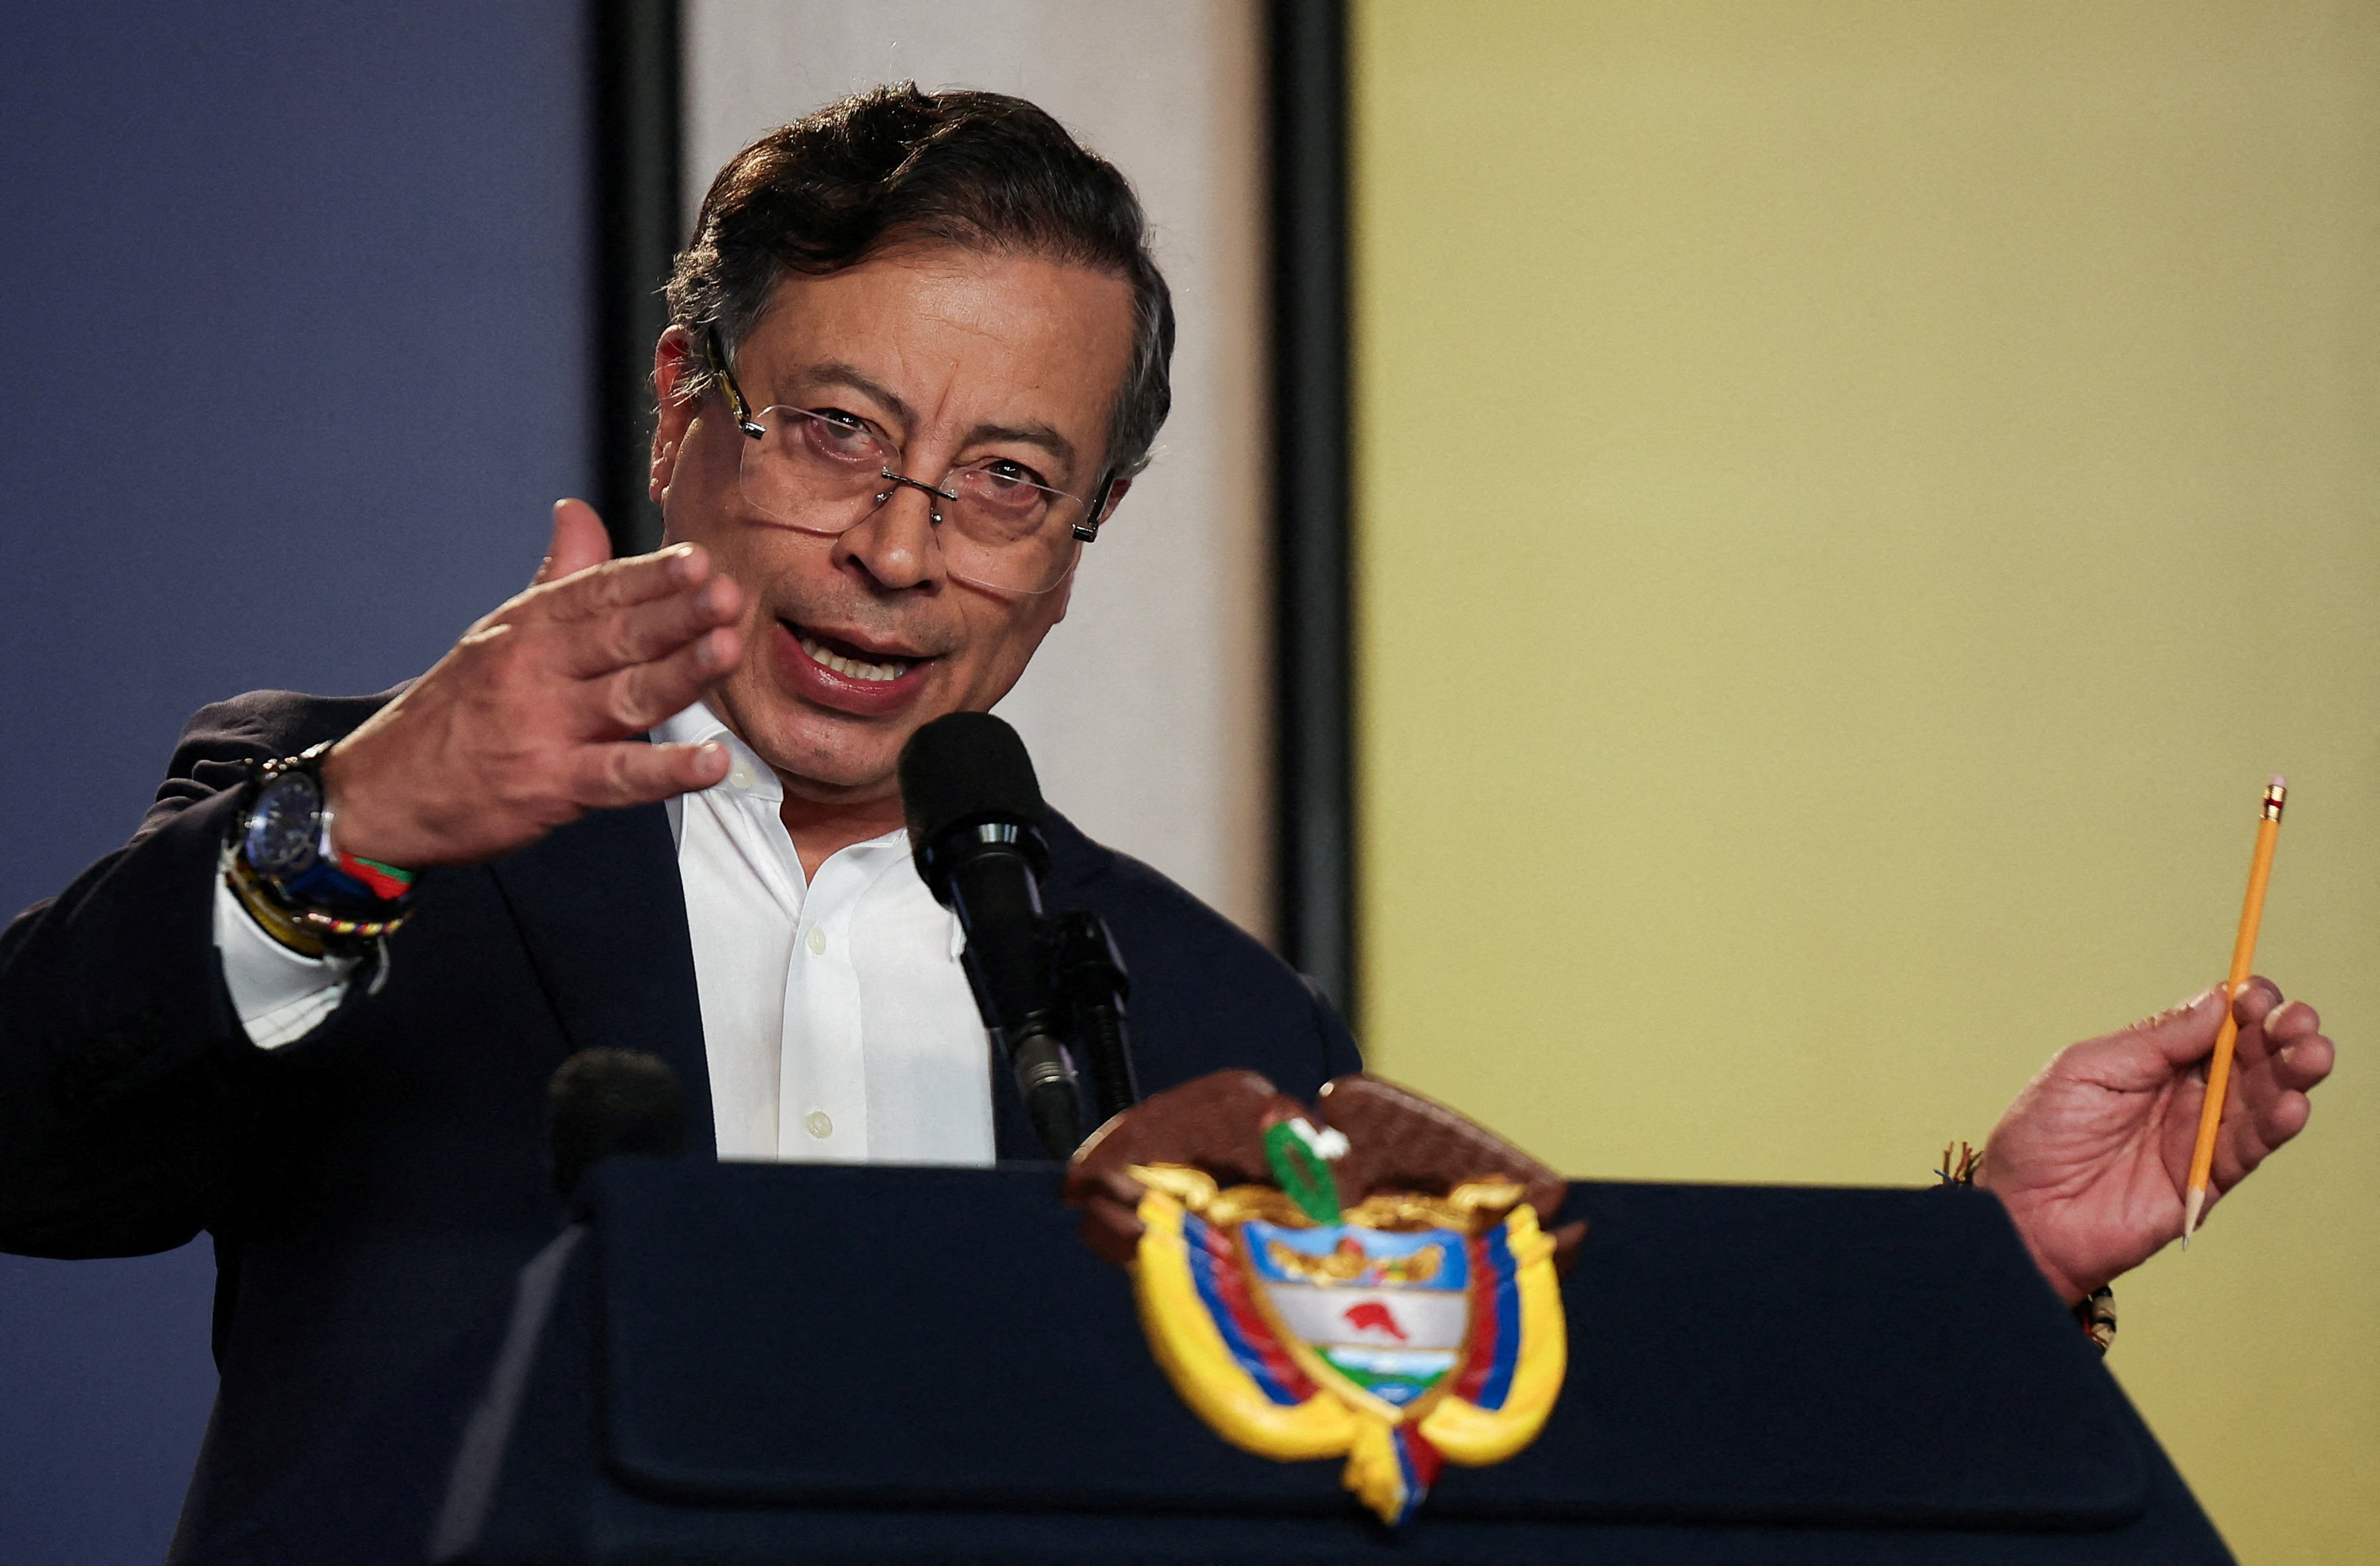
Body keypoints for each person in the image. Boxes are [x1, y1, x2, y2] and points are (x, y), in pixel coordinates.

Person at [0, 83, 2335, 1560]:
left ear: (1080, 532)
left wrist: (1990, 1269)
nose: (908, 546)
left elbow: (1446, 1428)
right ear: (681, 405)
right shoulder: (342, 805)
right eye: (836, 432)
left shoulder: (1207, 1003)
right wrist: (366, 816)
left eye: (1010, 481)